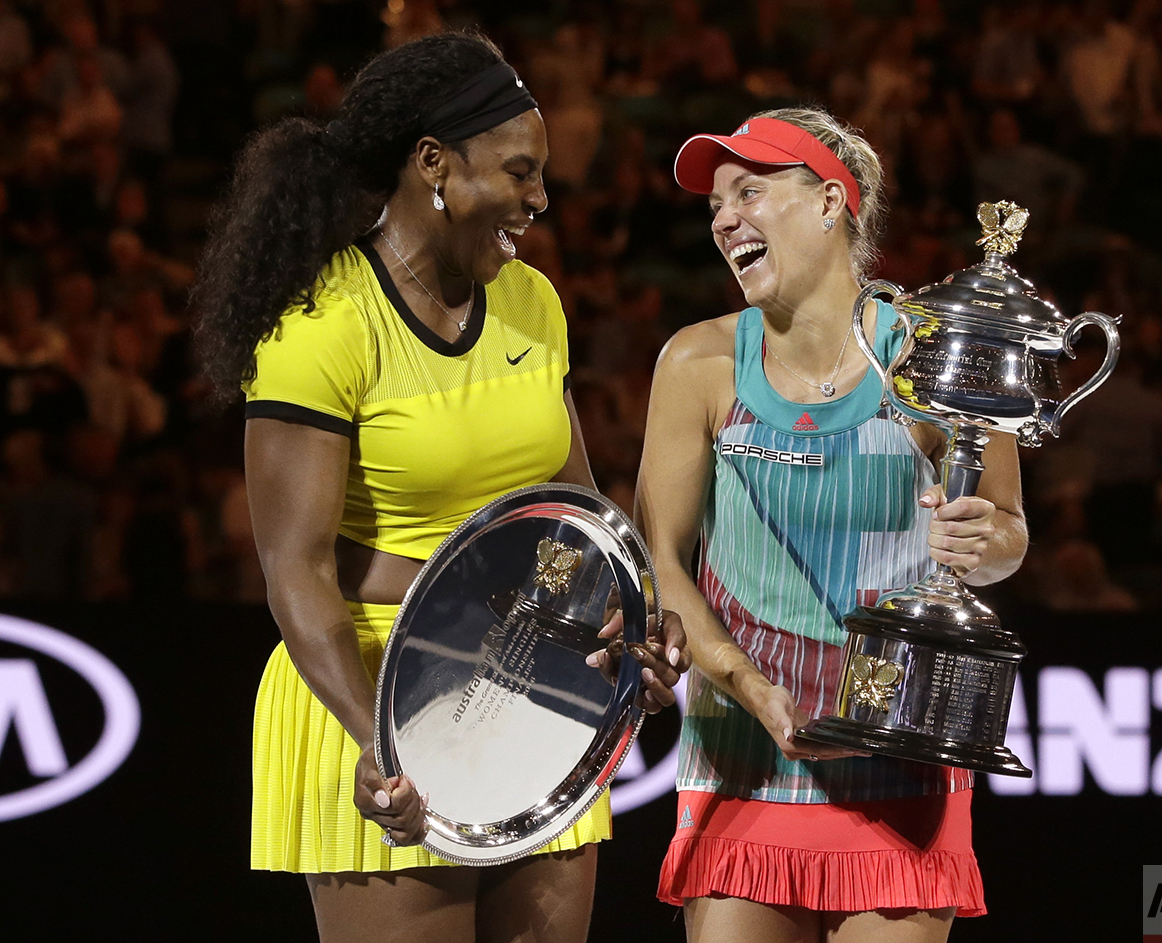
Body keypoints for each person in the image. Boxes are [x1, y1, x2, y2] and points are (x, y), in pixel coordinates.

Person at [192, 32, 687, 943]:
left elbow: (576, 516)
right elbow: (294, 570)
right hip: (377, 693)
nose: (540, 196)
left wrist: (634, 626)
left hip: (538, 697)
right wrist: (377, 735)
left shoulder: (532, 299)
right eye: (518, 170)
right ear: (433, 165)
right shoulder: (320, 324)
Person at [635, 109, 1028, 942]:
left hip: (900, 764)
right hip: (742, 754)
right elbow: (662, 563)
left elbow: (1007, 535)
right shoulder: (695, 363)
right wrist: (744, 681)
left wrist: (975, 540)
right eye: (713, 204)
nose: (722, 218)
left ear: (828, 202)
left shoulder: (937, 353)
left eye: (748, 191)